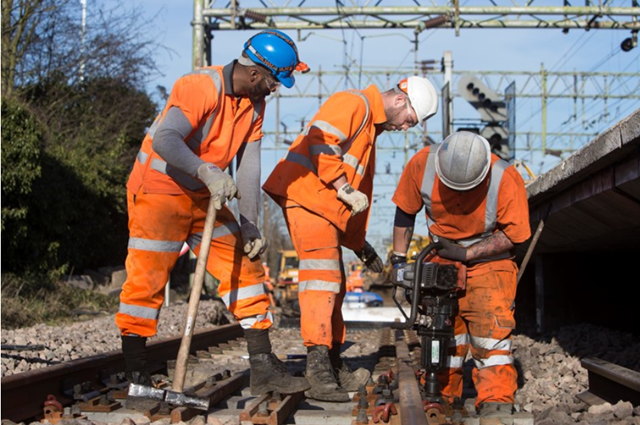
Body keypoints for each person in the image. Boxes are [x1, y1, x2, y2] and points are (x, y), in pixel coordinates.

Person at [115, 30, 311, 396]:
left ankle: (263, 365)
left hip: (205, 196)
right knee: (146, 280)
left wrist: (250, 224)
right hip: (160, 191)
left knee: (245, 267)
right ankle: (136, 374)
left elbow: (249, 165)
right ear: (255, 75)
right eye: (273, 81)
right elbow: (165, 140)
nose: (275, 89)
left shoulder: (254, 104)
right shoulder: (199, 86)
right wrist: (206, 171)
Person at [263, 76, 439, 401]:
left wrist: (359, 245)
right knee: (322, 279)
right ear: (401, 102)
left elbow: (353, 199)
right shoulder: (354, 102)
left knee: (336, 284)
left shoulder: (369, 130)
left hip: (320, 204)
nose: (405, 128)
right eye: (409, 121)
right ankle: (317, 371)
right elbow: (321, 140)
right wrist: (343, 185)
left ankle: (330, 362)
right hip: (307, 197)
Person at [389, 131, 531, 419]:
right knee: (443, 331)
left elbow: (515, 235)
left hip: (490, 261)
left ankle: (496, 400)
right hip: (442, 256)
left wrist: (467, 254)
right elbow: (405, 211)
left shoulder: (505, 177)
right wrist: (399, 261)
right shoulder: (422, 164)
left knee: (490, 336)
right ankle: (441, 394)